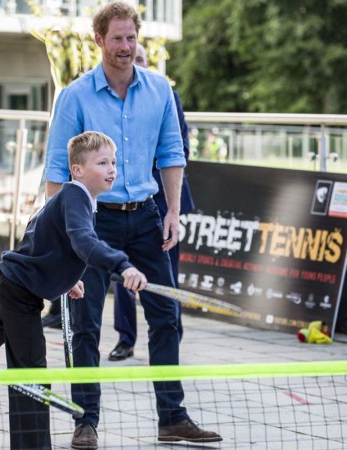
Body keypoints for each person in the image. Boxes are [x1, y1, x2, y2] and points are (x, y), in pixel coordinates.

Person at [44, 2, 222, 448]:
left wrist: (172, 211)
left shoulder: (160, 90)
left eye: (131, 38)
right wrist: (60, 237)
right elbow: (55, 171)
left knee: (167, 316)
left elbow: (172, 154)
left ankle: (172, 417)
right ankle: (86, 421)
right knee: (84, 322)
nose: (125, 47)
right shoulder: (75, 96)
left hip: (146, 217)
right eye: (117, 38)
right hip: (89, 221)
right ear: (99, 40)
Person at [0, 130, 148, 450]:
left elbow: (44, 242)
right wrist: (123, 265)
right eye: (102, 162)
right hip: (20, 288)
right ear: (77, 170)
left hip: (16, 281)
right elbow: (84, 242)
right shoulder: (74, 195)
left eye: (114, 162)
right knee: (30, 373)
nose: (112, 169)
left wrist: (65, 281)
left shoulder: (77, 198)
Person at [108, 44, 195, 362]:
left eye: (142, 59)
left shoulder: (164, 95)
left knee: (166, 280)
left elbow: (179, 147)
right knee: (122, 275)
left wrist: (171, 205)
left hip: (160, 201)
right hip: (120, 206)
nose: (136, 64)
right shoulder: (110, 99)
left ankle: (172, 337)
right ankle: (125, 339)